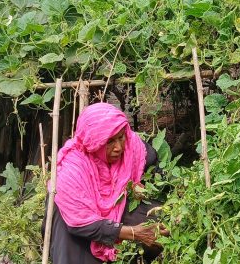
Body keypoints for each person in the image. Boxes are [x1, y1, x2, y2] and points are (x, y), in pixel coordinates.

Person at [42, 102, 169, 264]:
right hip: (78, 227)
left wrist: (142, 189)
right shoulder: (71, 169)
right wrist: (133, 232)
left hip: (118, 211)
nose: (118, 148)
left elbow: (158, 182)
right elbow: (80, 224)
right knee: (69, 239)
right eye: (109, 142)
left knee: (162, 220)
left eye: (121, 137)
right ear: (93, 142)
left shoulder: (133, 148)